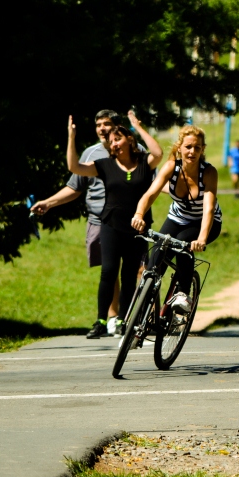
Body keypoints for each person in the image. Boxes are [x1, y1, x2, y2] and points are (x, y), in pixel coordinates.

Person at [31, 109, 134, 335]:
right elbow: (74, 187)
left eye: (106, 124)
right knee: (110, 270)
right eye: (98, 125)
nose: (102, 129)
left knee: (138, 269)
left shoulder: (136, 151)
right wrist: (48, 203)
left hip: (132, 220)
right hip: (100, 220)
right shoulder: (91, 154)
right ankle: (112, 317)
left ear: (118, 126)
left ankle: (138, 316)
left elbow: (155, 180)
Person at [67, 112, 162, 339]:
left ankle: (122, 319)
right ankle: (101, 321)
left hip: (137, 228)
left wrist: (137, 127)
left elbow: (158, 153)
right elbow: (74, 167)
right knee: (108, 271)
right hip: (110, 224)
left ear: (128, 140)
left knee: (129, 275)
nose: (114, 144)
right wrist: (71, 137)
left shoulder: (143, 164)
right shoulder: (105, 165)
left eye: (117, 139)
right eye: (111, 142)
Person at [132, 125, 222, 316]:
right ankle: (143, 315)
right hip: (177, 218)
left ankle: (183, 293)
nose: (192, 152)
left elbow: (208, 209)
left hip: (204, 223)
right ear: (179, 147)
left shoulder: (208, 172)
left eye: (197, 148)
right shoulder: (172, 167)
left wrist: (202, 238)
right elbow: (150, 194)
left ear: (202, 150)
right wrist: (139, 214)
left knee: (183, 245)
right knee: (154, 263)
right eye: (188, 147)